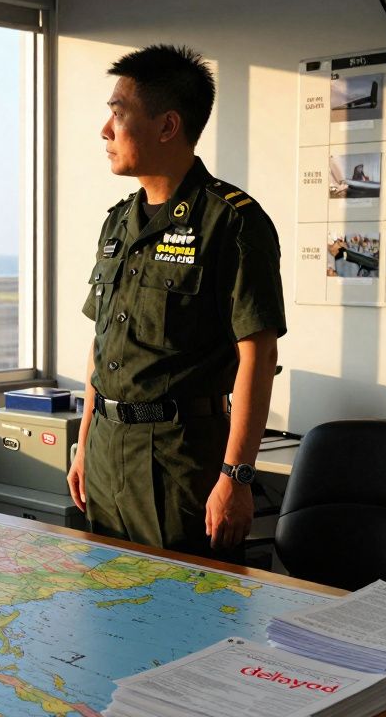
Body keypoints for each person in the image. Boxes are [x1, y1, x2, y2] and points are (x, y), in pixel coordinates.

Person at [66, 45, 285, 561]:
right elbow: (102, 346)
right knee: (107, 609)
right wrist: (83, 445)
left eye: (118, 115)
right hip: (104, 454)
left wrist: (237, 476)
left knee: (185, 621)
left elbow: (258, 353)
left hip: (179, 460)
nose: (105, 130)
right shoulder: (118, 222)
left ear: (167, 126)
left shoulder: (231, 222)